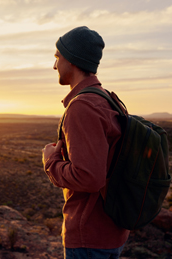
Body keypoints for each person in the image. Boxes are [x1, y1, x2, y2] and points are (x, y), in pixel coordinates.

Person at [42, 26, 130, 259]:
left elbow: (89, 177)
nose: (54, 65)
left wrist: (50, 161)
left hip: (89, 237)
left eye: (57, 57)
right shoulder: (107, 100)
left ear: (71, 60)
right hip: (110, 231)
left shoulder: (82, 106)